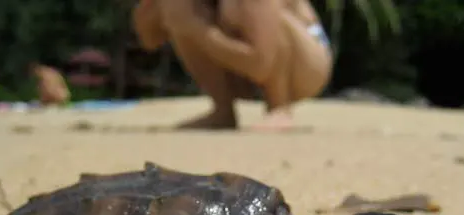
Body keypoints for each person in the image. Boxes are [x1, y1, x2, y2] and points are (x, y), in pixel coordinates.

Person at [132, 0, 333, 130]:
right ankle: (222, 110)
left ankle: (279, 107)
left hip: (307, 65)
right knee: (180, 8)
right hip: (245, 64)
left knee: (236, 10)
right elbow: (150, 40)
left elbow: (261, 64)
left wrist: (197, 30)